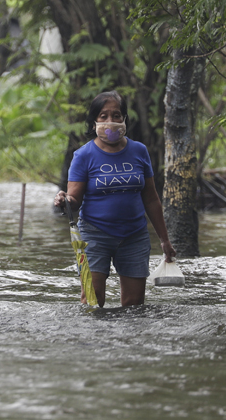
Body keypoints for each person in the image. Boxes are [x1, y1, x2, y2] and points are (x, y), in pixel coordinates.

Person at [54, 90, 176, 307]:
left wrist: (164, 239)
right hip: (94, 235)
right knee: (92, 301)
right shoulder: (84, 155)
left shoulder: (139, 151)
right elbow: (75, 200)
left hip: (135, 236)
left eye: (117, 116)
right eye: (103, 116)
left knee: (134, 306)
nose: (111, 121)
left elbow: (151, 198)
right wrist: (65, 201)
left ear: (125, 119)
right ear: (94, 123)